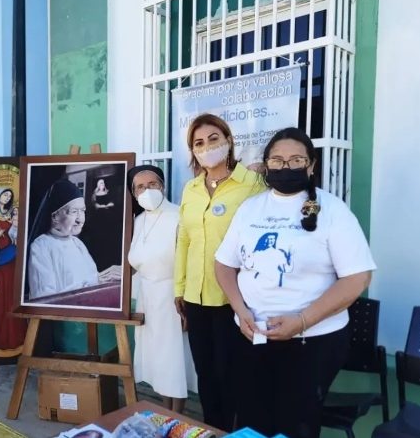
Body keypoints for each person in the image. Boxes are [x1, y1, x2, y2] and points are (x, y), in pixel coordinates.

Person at [214, 127, 376, 438]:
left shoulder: (333, 210)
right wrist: (240, 309)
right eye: (277, 160)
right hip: (251, 336)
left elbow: (358, 277)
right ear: (266, 165)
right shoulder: (251, 208)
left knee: (294, 425)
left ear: (311, 165)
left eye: (296, 160)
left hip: (311, 343)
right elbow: (223, 264)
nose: (285, 167)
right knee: (251, 420)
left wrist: (302, 321)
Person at [174, 113, 264, 431]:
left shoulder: (252, 185)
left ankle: (232, 433)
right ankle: (212, 430)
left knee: (232, 378)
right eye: (199, 143)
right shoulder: (191, 189)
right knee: (206, 376)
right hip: (196, 298)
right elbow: (184, 240)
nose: (207, 147)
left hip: (233, 301)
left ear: (228, 141)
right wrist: (179, 288)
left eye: (214, 139)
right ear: (193, 151)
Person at [127, 165, 196, 413]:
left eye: (152, 184)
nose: (147, 191)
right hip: (147, 298)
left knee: (173, 361)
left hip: (172, 297)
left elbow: (189, 262)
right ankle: (166, 412)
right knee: (157, 362)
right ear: (133, 193)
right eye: (140, 187)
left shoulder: (179, 216)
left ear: (163, 186)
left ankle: (176, 415)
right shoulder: (137, 221)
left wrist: (186, 304)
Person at [27, 179, 121, 300]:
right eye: (74, 212)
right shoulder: (41, 246)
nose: (80, 219)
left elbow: (93, 279)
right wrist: (96, 280)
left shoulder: (77, 243)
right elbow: (43, 298)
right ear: (55, 216)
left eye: (83, 211)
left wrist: (109, 277)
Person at [0, 187, 26, 359]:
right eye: (4, 195)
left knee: (13, 300)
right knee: (0, 301)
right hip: (0, 264)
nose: (7, 198)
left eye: (9, 195)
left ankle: (17, 340)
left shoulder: (13, 215)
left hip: (14, 263)